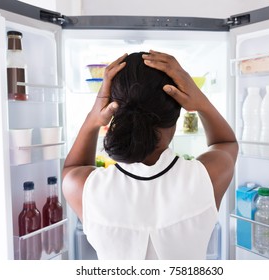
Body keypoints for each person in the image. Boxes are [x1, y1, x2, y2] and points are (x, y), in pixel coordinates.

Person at [62, 51, 238, 259]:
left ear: (111, 111)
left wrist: (93, 119)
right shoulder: (208, 176)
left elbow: (71, 169)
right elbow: (226, 143)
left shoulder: (82, 187)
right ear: (177, 110)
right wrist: (201, 101)